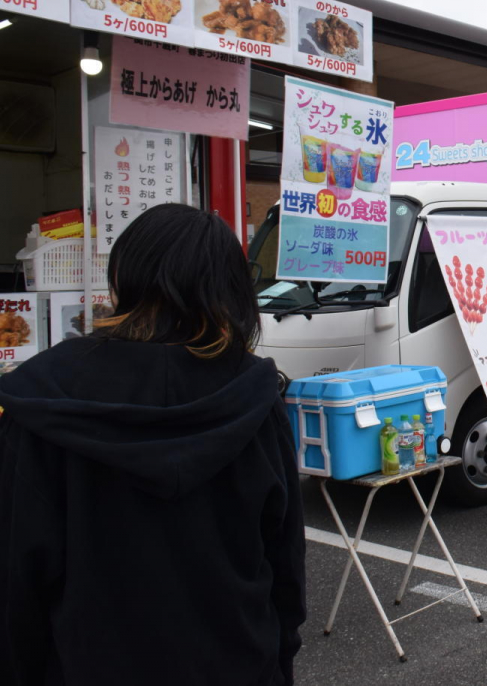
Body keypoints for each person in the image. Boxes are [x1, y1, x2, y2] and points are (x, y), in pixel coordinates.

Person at [0, 204, 306, 685]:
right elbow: (284, 559)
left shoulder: (46, 396)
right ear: (230, 291)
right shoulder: (255, 395)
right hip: (239, 662)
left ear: (123, 276)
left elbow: (17, 575)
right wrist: (281, 656)